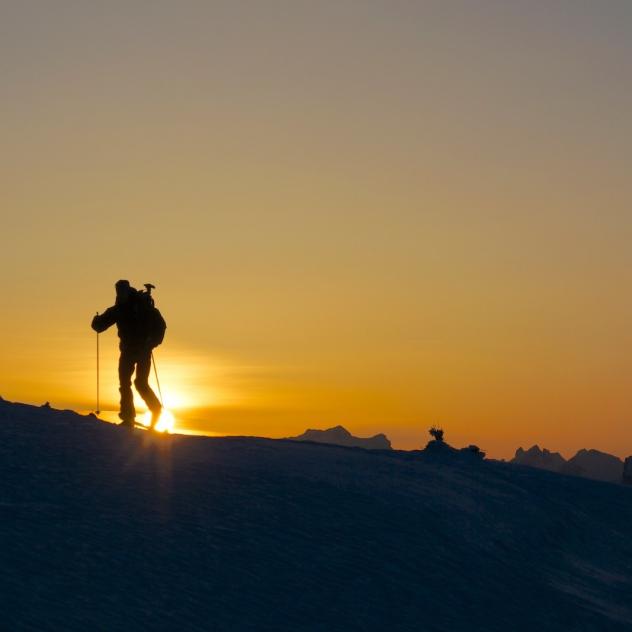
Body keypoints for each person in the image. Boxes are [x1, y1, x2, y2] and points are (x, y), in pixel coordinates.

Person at [91, 280, 167, 429]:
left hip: (139, 350)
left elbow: (160, 326)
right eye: (119, 291)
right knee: (131, 383)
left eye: (121, 291)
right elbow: (100, 325)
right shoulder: (123, 308)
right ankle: (134, 415)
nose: (120, 294)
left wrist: (151, 343)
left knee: (135, 383)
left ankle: (139, 414)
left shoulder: (135, 307)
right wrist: (97, 322)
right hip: (134, 350)